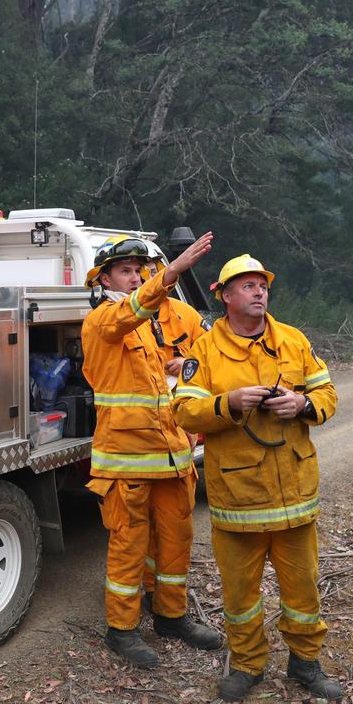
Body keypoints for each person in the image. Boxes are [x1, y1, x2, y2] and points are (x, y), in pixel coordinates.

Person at [170, 254, 342, 702]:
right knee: (241, 594)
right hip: (238, 499)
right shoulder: (204, 352)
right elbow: (184, 409)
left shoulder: (293, 340)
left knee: (302, 590)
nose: (259, 291)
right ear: (225, 296)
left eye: (261, 285)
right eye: (247, 286)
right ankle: (248, 664)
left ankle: (305, 663)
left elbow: (327, 393)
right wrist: (228, 403)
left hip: (295, 495)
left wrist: (301, 405)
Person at [82, 231, 221, 669]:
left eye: (140, 270)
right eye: (125, 271)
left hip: (173, 458)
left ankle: (170, 617)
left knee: (176, 542)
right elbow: (135, 307)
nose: (135, 277)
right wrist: (173, 270)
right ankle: (121, 630)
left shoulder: (152, 324)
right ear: (103, 280)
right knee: (129, 544)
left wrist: (188, 363)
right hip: (125, 460)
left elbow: (200, 349)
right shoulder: (104, 321)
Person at [140, 245, 210, 608]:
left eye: (153, 269)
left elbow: (212, 360)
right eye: (140, 271)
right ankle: (146, 590)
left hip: (178, 441)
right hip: (136, 446)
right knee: (138, 531)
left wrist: (185, 364)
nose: (147, 276)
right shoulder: (121, 318)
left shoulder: (185, 316)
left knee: (175, 529)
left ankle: (167, 603)